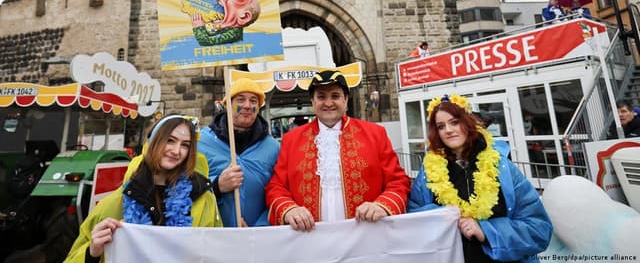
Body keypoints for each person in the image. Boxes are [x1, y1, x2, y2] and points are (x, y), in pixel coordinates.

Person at [409, 94, 552, 262]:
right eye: (441, 126)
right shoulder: (428, 173)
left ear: (468, 123)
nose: (448, 130)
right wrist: (441, 216)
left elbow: (539, 229)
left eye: (454, 122)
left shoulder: (503, 167)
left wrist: (487, 231)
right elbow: (414, 222)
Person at [265, 70, 411, 231]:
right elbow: (276, 187)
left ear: (346, 100)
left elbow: (398, 182)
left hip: (366, 236)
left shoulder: (375, 134)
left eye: (335, 96)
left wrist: (382, 206)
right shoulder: (291, 140)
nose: (328, 103)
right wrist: (289, 209)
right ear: (312, 102)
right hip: (308, 239)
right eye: (321, 97)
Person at [65, 115, 222, 263]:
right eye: (170, 141)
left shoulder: (203, 199)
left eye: (185, 145)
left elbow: (217, 253)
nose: (176, 151)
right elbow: (73, 257)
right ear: (152, 142)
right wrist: (91, 253)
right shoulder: (118, 200)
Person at [197, 78, 280, 227]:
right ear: (227, 104)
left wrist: (260, 227)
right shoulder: (201, 142)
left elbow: (279, 191)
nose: (247, 106)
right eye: (240, 100)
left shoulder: (273, 147)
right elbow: (185, 187)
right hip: (214, 235)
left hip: (259, 238)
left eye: (253, 101)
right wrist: (216, 185)